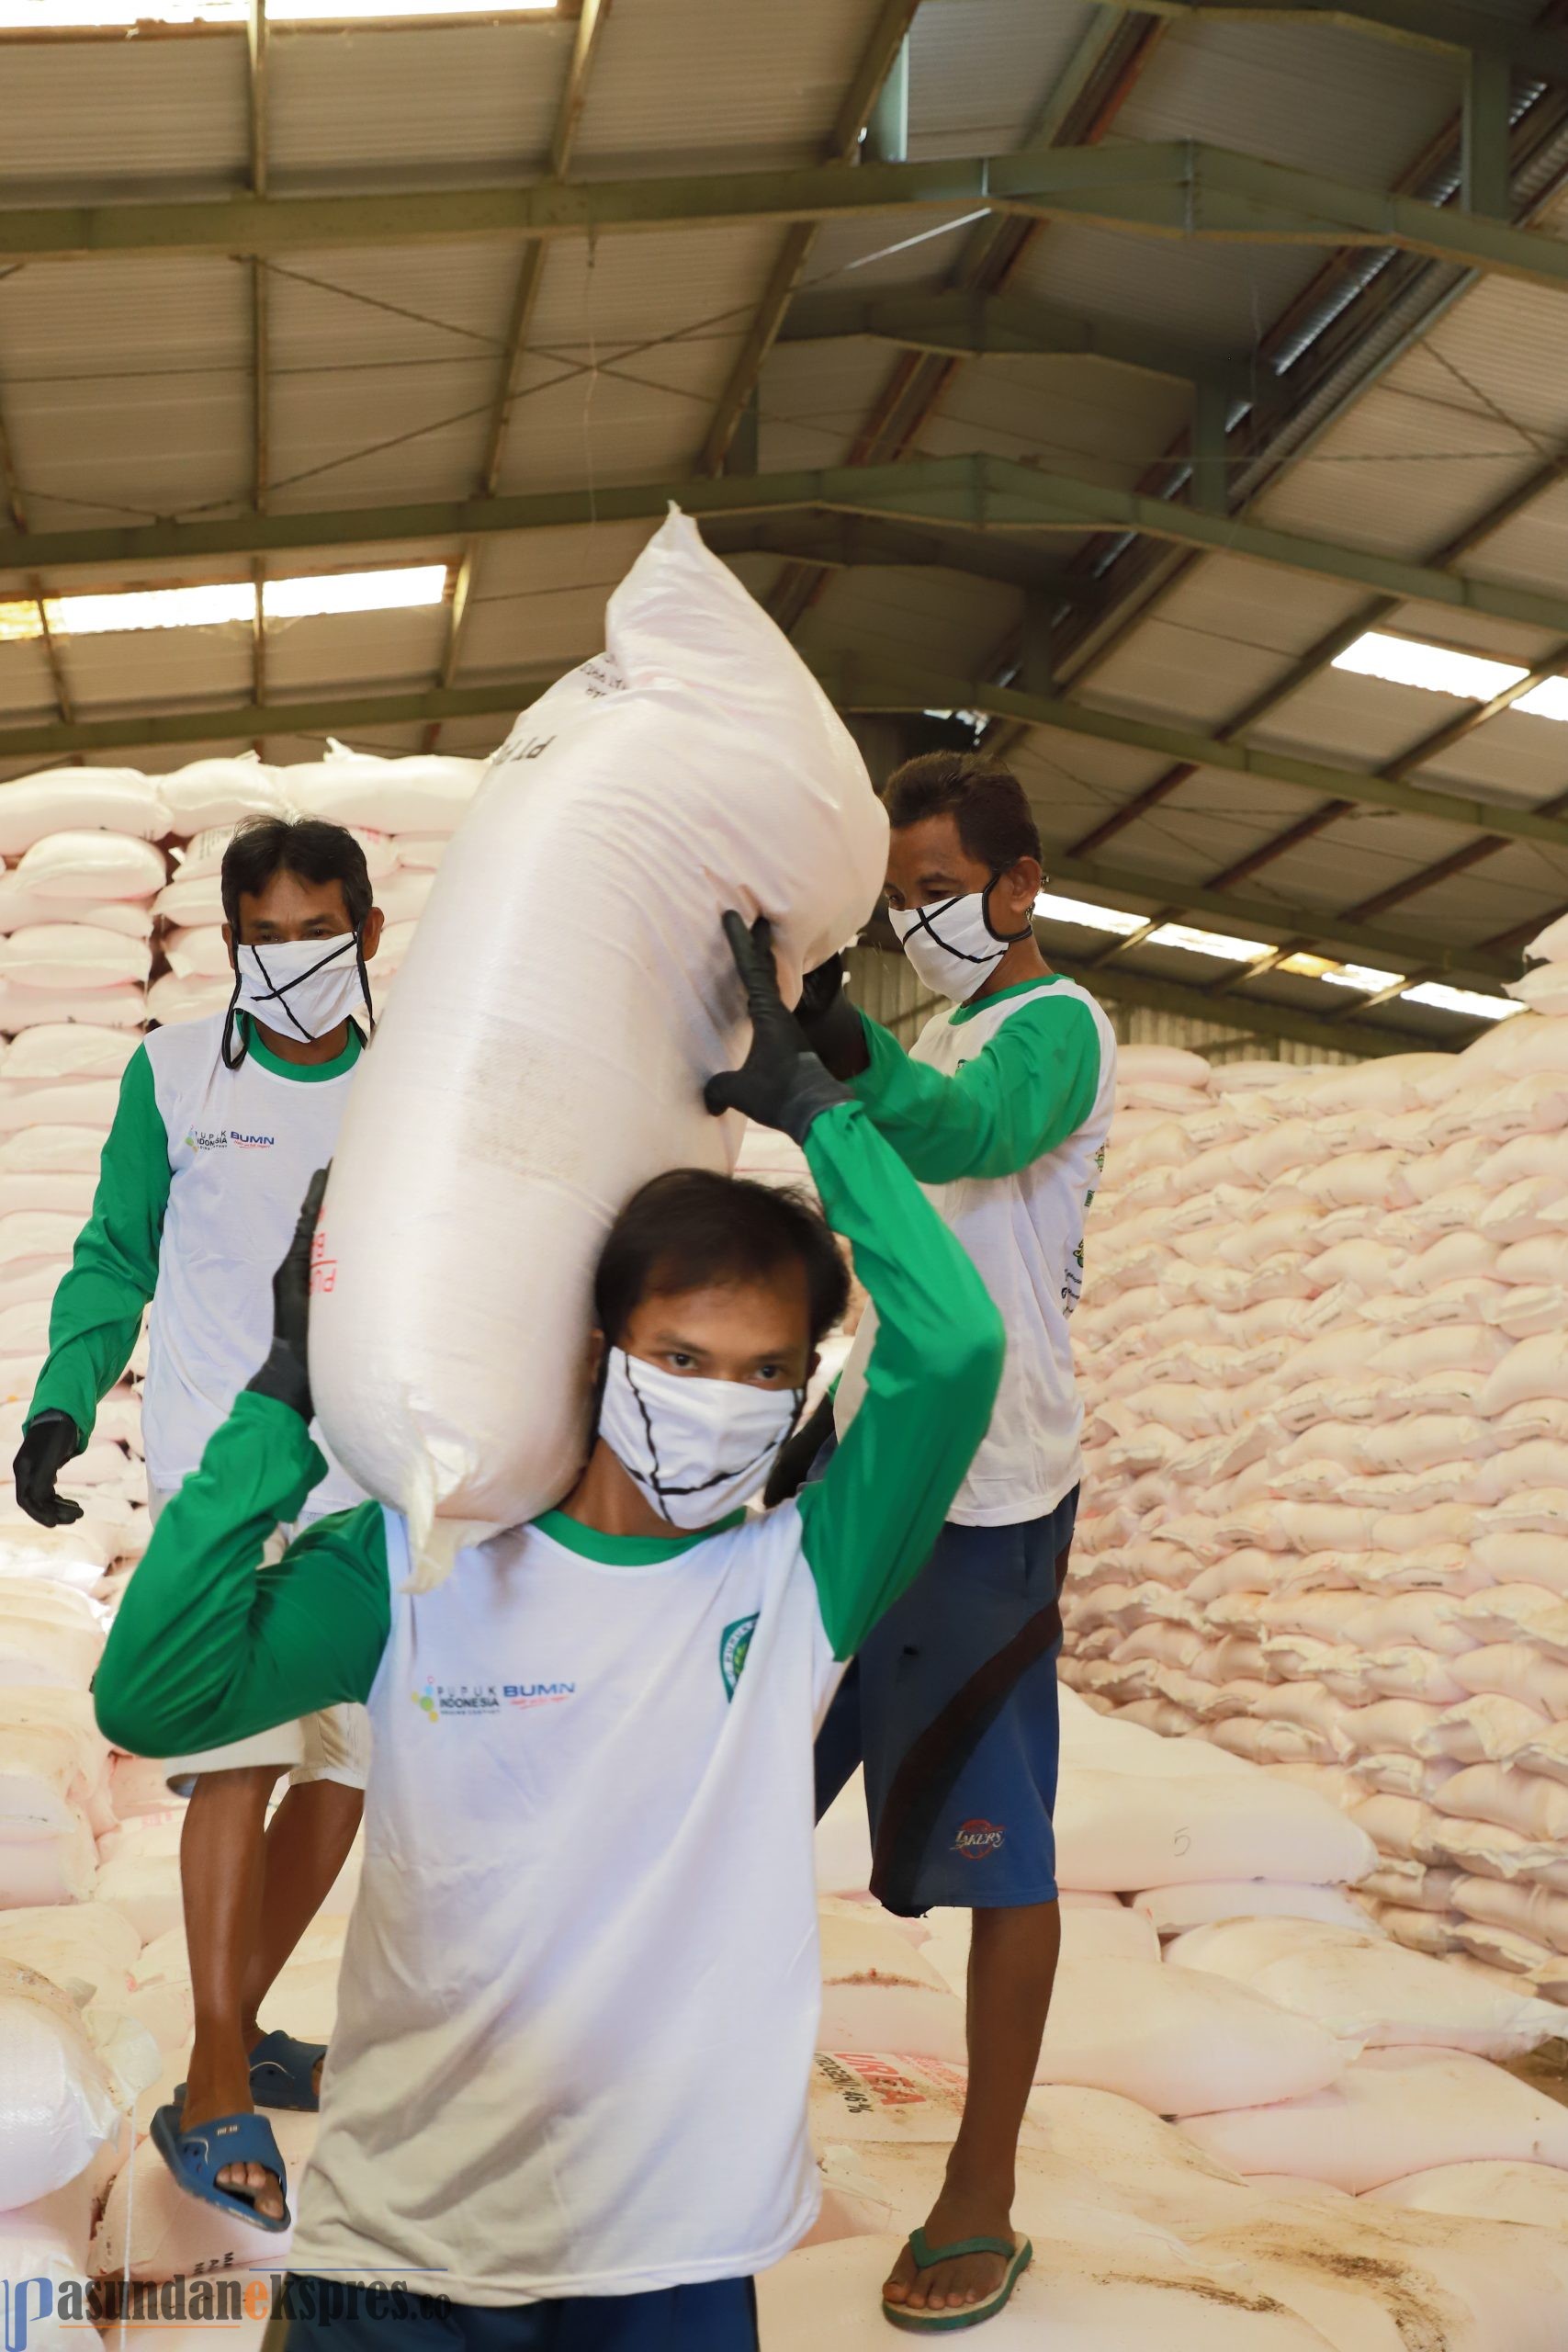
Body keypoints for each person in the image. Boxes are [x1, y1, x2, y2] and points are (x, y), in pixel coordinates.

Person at [91, 913, 1007, 2352]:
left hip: (674, 2242)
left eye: (767, 1371)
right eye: (683, 1360)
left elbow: (955, 1346)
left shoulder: (795, 1580)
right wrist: (279, 1399)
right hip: (407, 2235)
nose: (721, 1400)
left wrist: (822, 1117)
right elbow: (153, 1696)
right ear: (598, 1353)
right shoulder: (415, 1563)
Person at [15, 816, 384, 2232]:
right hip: (223, 1478)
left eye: (318, 930)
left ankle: (234, 2022)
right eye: (266, 936)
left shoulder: (411, 1086)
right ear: (229, 941)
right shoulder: (173, 1073)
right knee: (235, 1767)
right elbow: (116, 1247)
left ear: (368, 929)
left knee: (351, 1774)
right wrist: (62, 1398)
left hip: (370, 1483)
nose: (293, 959)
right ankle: (215, 2082)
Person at [797, 750, 1116, 2331]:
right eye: (898, 899)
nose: (917, 921)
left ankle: (980, 2185)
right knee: (747, 1780)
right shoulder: (939, 1027)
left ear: (1018, 886)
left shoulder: (1053, 1029)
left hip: (991, 1494)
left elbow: (964, 1134)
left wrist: (840, 1057)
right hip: (879, 1463)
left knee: (1002, 1847)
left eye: (939, 892)